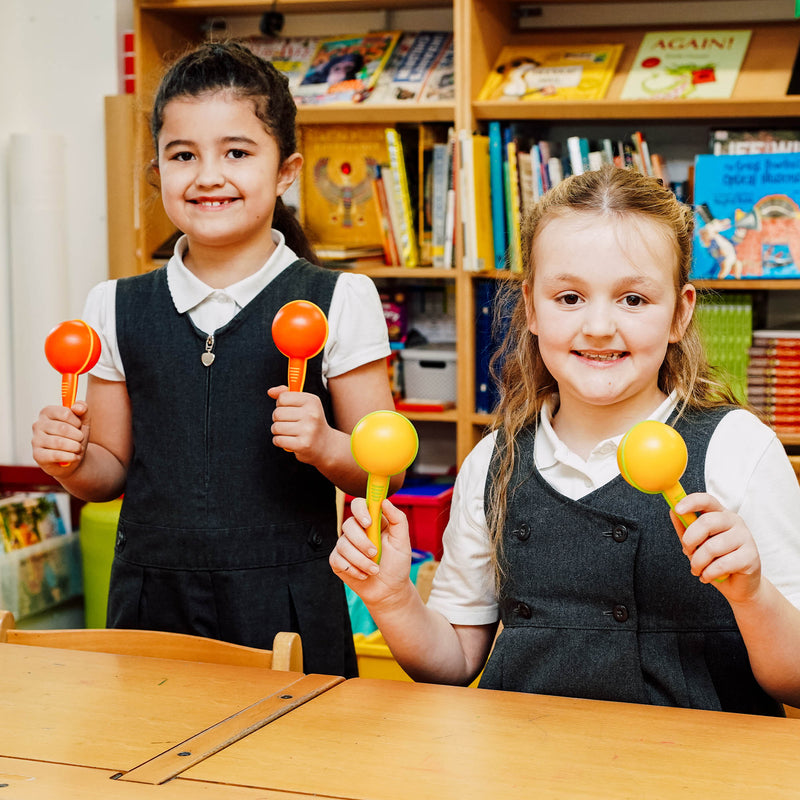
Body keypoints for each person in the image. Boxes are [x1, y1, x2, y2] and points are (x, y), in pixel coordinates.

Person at [331, 165, 800, 714]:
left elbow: (794, 685)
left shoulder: (737, 448)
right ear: (531, 307)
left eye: (633, 300)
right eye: (570, 297)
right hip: (526, 768)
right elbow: (453, 663)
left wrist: (751, 595)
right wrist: (392, 598)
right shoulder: (492, 461)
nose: (599, 326)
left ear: (680, 312)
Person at [31, 40, 401, 678]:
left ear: (285, 171)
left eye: (236, 152)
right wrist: (69, 461)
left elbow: (382, 471)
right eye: (183, 155)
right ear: (158, 170)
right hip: (151, 602)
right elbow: (109, 473)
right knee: (149, 766)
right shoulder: (114, 305)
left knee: (296, 770)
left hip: (289, 602)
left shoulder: (342, 297)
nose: (207, 175)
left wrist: (322, 444)